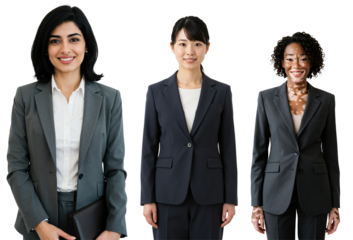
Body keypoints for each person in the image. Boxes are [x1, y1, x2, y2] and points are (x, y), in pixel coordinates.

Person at [5, 4, 128, 240]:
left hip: (94, 219)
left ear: (86, 46)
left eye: (73, 39)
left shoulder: (110, 98)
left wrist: (115, 228)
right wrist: (40, 224)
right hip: (39, 215)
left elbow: (115, 169)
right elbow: (16, 167)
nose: (65, 49)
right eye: (55, 41)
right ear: (45, 47)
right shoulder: (24, 96)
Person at [138, 15, 239, 240]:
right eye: (183, 44)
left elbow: (229, 149)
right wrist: (147, 198)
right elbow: (148, 148)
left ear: (208, 48)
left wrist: (230, 199)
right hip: (166, 194)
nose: (189, 51)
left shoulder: (222, 91)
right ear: (171, 47)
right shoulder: (155, 91)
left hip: (210, 193)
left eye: (197, 44)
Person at [249, 30, 342, 240]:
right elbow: (258, 154)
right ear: (282, 62)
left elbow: (332, 156)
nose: (296, 65)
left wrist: (336, 206)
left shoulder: (327, 100)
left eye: (303, 59)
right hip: (275, 192)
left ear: (312, 62)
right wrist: (255, 205)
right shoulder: (265, 98)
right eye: (290, 59)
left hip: (317, 192)